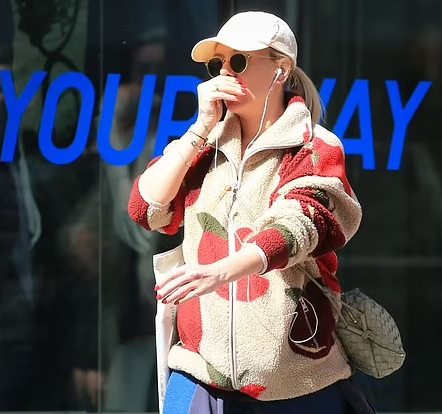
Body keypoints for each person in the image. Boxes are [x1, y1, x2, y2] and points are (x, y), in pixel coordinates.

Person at [128, 11, 364, 414]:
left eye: (238, 61)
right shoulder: (206, 146)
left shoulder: (312, 146)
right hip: (199, 369)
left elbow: (299, 224)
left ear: (281, 69)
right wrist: (200, 128)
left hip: (295, 379)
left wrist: (222, 270)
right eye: (216, 64)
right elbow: (146, 209)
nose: (225, 73)